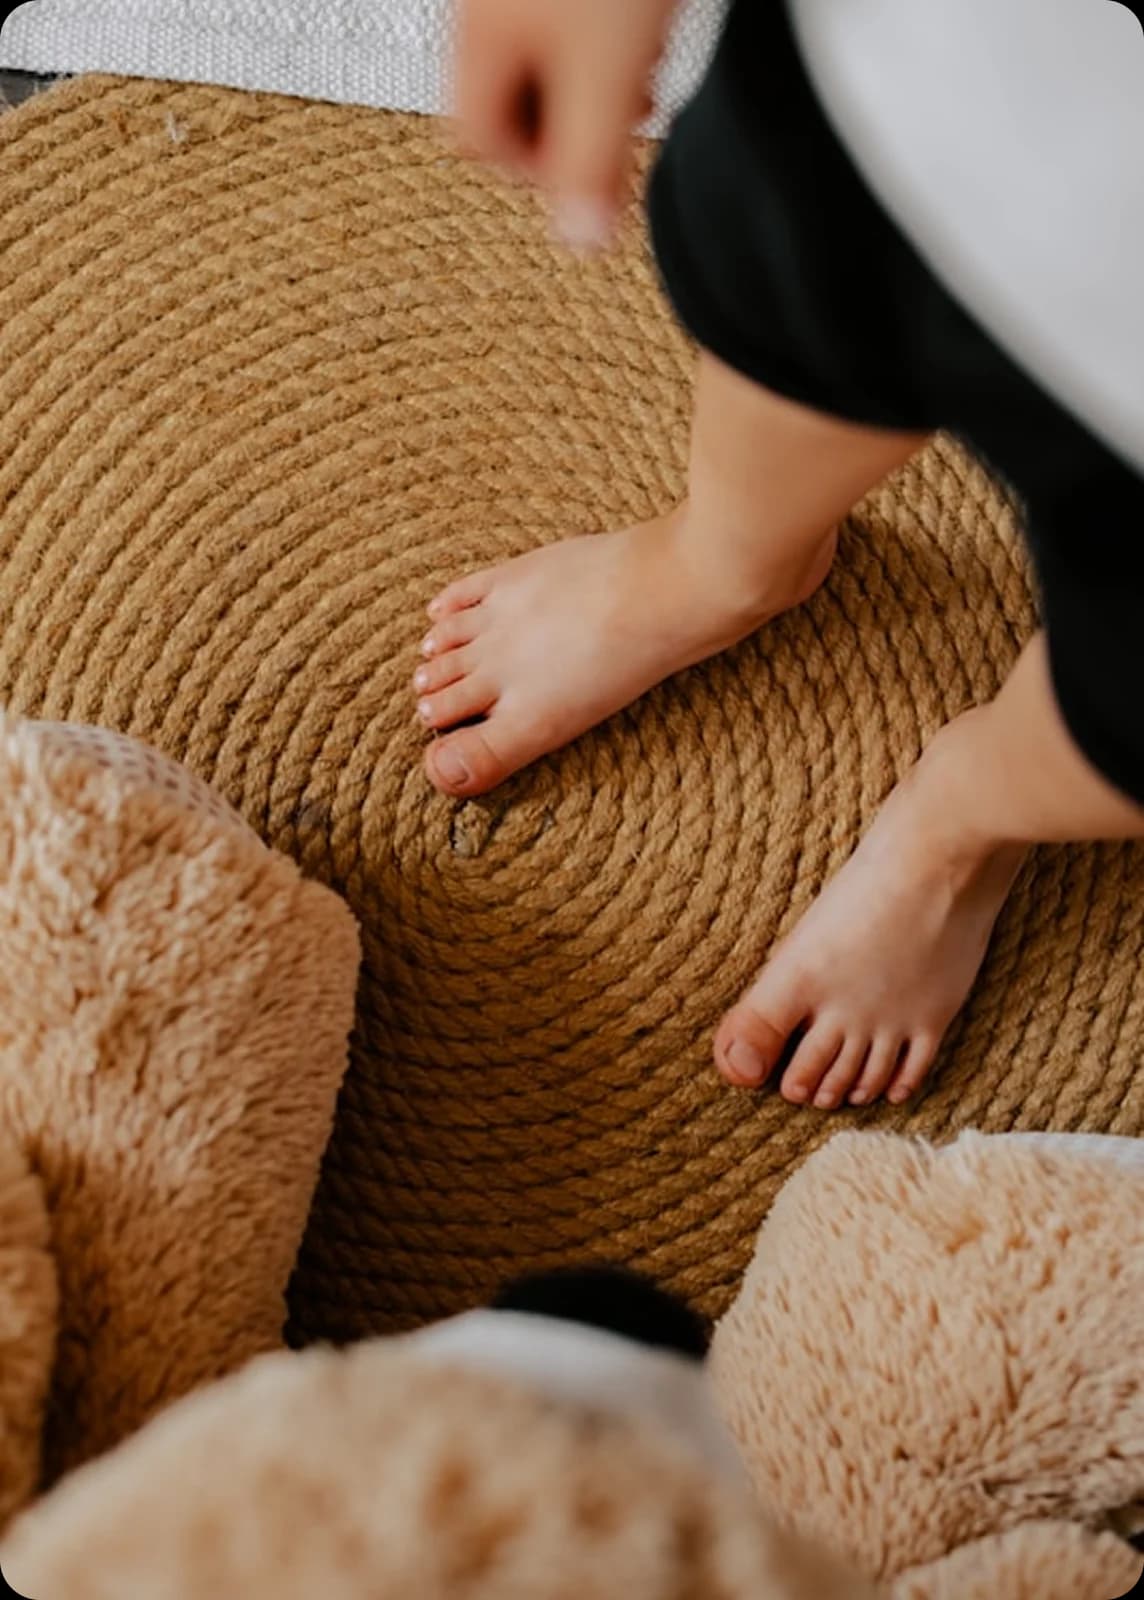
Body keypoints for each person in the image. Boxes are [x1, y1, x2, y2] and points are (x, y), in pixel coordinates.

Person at [411, 0, 1144, 1110]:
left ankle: (964, 818)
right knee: (802, 286)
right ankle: (726, 565)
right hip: (951, 59)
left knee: (1127, 702)